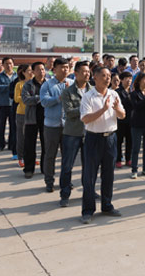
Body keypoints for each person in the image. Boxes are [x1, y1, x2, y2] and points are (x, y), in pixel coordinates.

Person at [79, 67, 125, 224]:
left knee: (109, 174)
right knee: (90, 176)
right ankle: (88, 210)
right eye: (104, 76)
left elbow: (122, 115)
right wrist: (104, 109)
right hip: (93, 139)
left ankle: (107, 205)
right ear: (95, 77)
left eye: (109, 76)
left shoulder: (114, 94)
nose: (107, 78)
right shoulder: (88, 96)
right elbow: (85, 118)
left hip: (111, 138)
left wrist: (117, 108)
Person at [57, 61, 91, 207]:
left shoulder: (93, 90)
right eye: (83, 71)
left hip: (89, 132)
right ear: (75, 74)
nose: (87, 74)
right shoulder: (67, 92)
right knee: (67, 165)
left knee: (89, 166)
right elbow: (69, 113)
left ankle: (88, 192)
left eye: (88, 71)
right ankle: (65, 194)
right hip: (72, 133)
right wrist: (85, 108)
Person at [40, 58, 73, 192]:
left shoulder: (72, 83)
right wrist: (60, 97)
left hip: (68, 126)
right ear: (55, 69)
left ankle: (66, 181)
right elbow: (44, 101)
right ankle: (49, 181)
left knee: (67, 156)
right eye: (62, 67)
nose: (65, 70)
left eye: (67, 67)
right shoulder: (47, 85)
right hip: (51, 126)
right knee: (50, 155)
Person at [22, 62, 47, 178]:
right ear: (33, 72)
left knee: (46, 145)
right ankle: (29, 169)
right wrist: (41, 98)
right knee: (29, 145)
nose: (41, 72)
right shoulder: (28, 85)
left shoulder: (49, 84)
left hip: (47, 118)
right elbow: (26, 99)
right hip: (31, 118)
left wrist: (38, 98)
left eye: (43, 69)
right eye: (38, 69)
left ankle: (45, 168)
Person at [129, 72, 145, 179]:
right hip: (137, 123)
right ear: (138, 81)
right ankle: (134, 169)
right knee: (136, 147)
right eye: (144, 79)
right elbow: (136, 106)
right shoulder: (134, 94)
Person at [0, 57, 16, 155]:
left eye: (10, 63)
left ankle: (12, 144)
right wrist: (9, 87)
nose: (9, 65)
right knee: (0, 126)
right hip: (1, 104)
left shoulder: (16, 76)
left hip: (13, 104)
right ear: (3, 65)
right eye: (6, 63)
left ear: (13, 64)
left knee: (13, 126)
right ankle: (0, 144)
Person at [13, 64, 31, 167]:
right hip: (22, 113)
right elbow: (16, 98)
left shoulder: (35, 83)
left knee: (32, 137)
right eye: (28, 70)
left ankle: (31, 157)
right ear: (23, 72)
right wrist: (28, 99)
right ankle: (21, 157)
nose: (31, 72)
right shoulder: (19, 84)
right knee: (21, 136)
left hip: (33, 113)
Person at [115, 71, 133, 168]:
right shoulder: (117, 92)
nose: (129, 81)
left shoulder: (132, 91)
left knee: (130, 141)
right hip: (120, 121)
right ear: (121, 80)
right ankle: (118, 159)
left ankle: (128, 159)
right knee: (119, 141)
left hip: (131, 120)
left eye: (130, 79)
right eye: (127, 78)